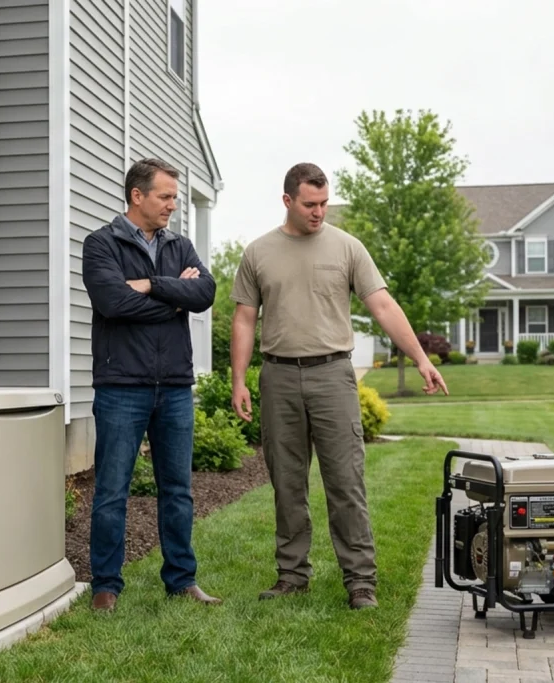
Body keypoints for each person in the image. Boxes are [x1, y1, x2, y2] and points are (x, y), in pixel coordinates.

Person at [228, 162, 448, 610]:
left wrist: (421, 358)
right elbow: (244, 319)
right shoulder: (258, 253)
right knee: (287, 482)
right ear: (287, 200)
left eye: (325, 203)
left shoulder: (348, 248)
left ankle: (360, 581)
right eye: (310, 204)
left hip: (333, 375)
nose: (319, 212)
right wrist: (238, 380)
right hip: (279, 377)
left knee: (345, 482)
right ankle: (292, 575)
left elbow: (383, 305)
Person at [81, 158, 221, 612]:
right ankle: (105, 585)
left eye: (176, 197)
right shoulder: (100, 244)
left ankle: (181, 579)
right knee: (111, 491)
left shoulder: (180, 245)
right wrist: (172, 299)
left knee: (177, 490)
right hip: (121, 385)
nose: (173, 206)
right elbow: (112, 301)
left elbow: (205, 293)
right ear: (137, 196)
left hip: (176, 387)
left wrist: (148, 285)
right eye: (165, 196)